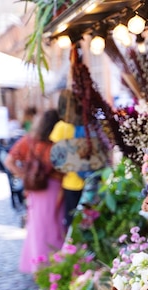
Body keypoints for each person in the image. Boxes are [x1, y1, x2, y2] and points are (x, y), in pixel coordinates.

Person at [4, 109, 65, 274]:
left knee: (37, 228)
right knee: (54, 227)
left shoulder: (28, 141)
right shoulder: (57, 143)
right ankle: (56, 266)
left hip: (34, 190)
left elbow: (9, 161)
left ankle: (38, 265)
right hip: (54, 188)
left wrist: (25, 176)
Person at [51, 90, 86, 229]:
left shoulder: (61, 127)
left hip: (71, 181)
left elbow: (55, 157)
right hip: (92, 180)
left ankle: (75, 249)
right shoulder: (87, 125)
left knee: (73, 223)